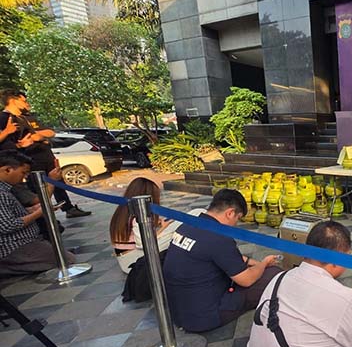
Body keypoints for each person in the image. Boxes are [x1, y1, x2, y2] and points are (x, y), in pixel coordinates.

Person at [162, 189, 282, 332]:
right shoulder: (218, 237)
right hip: (205, 316)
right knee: (274, 275)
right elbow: (247, 279)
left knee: (257, 270)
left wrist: (253, 263)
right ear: (230, 213)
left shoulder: (188, 226)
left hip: (179, 312)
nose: (236, 224)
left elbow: (220, 255)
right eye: (237, 218)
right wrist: (264, 263)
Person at [0, 90, 90, 218]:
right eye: (23, 101)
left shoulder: (26, 117)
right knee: (36, 192)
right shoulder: (4, 119)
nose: (27, 103)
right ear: (13, 100)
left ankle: (65, 208)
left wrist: (39, 136)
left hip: (45, 157)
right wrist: (19, 144)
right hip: (30, 162)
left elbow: (50, 132)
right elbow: (8, 145)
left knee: (57, 185)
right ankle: (44, 219)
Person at [0, 150, 75, 277]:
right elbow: (7, 225)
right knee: (67, 260)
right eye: (23, 173)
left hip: (28, 240)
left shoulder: (6, 189)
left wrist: (32, 210)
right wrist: (40, 212)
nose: (24, 178)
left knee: (62, 255)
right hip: (14, 246)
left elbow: (8, 213)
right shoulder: (2, 193)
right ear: (7, 170)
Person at [110, 177, 204, 274]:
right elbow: (144, 243)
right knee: (191, 218)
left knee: (185, 221)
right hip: (135, 261)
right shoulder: (136, 216)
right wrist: (164, 227)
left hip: (128, 259)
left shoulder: (123, 211)